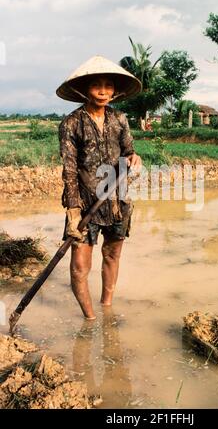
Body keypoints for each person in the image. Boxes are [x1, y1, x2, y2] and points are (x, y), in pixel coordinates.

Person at [56, 55, 142, 319]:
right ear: (85, 90)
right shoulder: (71, 123)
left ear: (115, 91)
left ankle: (107, 308)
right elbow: (69, 169)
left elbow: (129, 152)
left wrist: (135, 158)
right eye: (96, 85)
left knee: (112, 256)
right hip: (84, 204)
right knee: (79, 268)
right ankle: (90, 319)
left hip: (118, 200)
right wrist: (73, 211)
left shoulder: (120, 119)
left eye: (108, 85)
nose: (103, 91)